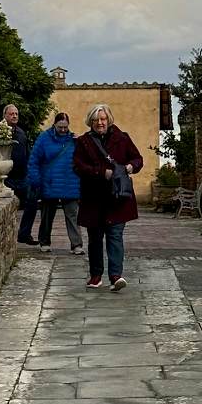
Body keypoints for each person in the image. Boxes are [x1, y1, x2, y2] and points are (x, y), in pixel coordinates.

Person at [73, 103, 144, 290]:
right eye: (96, 120)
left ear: (109, 120)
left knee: (115, 236)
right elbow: (78, 167)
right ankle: (96, 276)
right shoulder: (83, 142)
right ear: (90, 122)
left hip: (117, 198)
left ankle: (115, 276)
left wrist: (129, 167)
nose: (100, 123)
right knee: (95, 238)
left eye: (103, 119)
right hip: (93, 198)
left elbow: (138, 160)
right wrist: (101, 172)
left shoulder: (122, 138)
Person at [27, 110, 83, 253]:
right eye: (60, 127)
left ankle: (77, 245)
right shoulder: (44, 138)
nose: (63, 130)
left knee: (73, 216)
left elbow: (83, 160)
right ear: (54, 125)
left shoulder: (74, 140)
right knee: (47, 215)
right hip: (49, 183)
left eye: (65, 127)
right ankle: (44, 242)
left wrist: (81, 143)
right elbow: (34, 161)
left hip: (70, 183)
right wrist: (35, 180)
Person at [3, 102, 38, 245]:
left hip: (22, 178)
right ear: (5, 116)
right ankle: (5, 238)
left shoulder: (21, 133)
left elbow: (27, 154)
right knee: (4, 207)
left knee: (32, 201)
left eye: (16, 114)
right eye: (11, 114)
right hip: (7, 178)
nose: (15, 116)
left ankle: (24, 234)